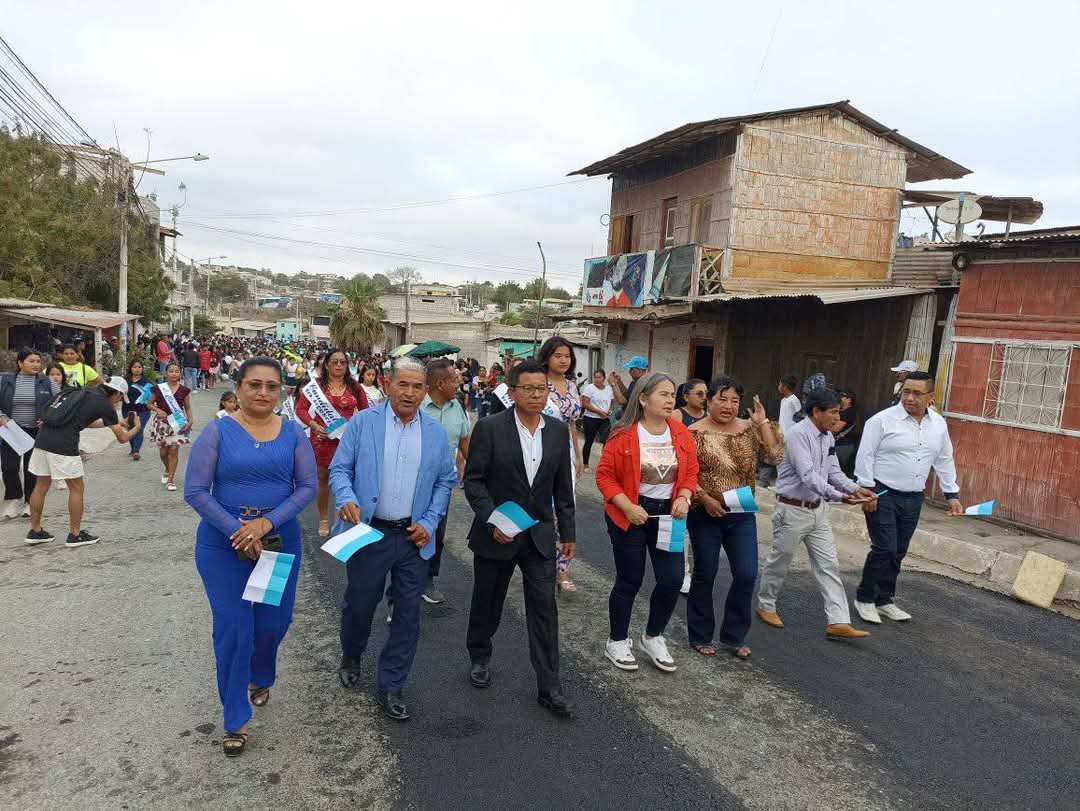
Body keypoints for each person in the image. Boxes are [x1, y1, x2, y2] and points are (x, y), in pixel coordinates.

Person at [184, 356, 317, 757]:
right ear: (238, 387)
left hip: (276, 543)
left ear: (282, 391)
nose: (263, 392)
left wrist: (266, 524)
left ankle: (260, 675)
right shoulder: (218, 432)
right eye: (254, 384)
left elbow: (307, 486)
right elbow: (196, 491)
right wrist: (238, 530)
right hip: (222, 546)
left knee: (272, 624)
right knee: (233, 627)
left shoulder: (293, 433)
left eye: (272, 386)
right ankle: (235, 718)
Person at [330, 357, 457, 722]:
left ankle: (392, 685)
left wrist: (430, 521)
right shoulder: (363, 423)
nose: (409, 393)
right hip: (369, 531)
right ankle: (352, 654)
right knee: (360, 603)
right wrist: (346, 497)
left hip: (414, 538)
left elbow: (445, 481)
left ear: (425, 390)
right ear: (388, 384)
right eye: (403, 384)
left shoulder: (434, 433)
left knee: (407, 613)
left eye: (417, 387)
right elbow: (340, 468)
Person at [463, 360, 577, 717]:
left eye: (541, 389)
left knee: (544, 608)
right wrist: (493, 521)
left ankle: (550, 685)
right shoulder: (489, 428)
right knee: (488, 601)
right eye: (527, 388)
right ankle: (479, 654)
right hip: (497, 534)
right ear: (512, 392)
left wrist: (568, 532)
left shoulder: (557, 431)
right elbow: (474, 481)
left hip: (539, 535)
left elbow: (563, 488)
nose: (536, 395)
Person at [755, 388, 879, 640]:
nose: (837, 417)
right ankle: (765, 605)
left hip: (818, 510)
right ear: (816, 411)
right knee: (780, 562)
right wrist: (840, 497)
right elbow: (808, 476)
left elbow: (834, 472)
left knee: (829, 565)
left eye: (838, 412)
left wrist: (856, 489)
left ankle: (838, 621)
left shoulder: (827, 437)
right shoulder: (797, 435)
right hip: (792, 510)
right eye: (833, 412)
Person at [596, 372, 698, 673]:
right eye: (663, 394)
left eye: (672, 395)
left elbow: (691, 471)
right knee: (630, 579)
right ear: (643, 398)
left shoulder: (680, 432)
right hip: (631, 515)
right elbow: (605, 476)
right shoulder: (623, 433)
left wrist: (684, 496)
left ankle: (653, 636)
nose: (670, 400)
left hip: (669, 516)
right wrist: (627, 506)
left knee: (672, 579)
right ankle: (617, 640)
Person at [854, 371, 964, 624]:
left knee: (898, 551)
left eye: (917, 393)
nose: (910, 398)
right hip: (882, 492)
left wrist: (952, 494)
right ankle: (865, 598)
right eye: (906, 392)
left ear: (930, 396)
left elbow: (944, 459)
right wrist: (866, 490)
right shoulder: (882, 420)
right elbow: (865, 455)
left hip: (913, 497)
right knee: (884, 548)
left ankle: (884, 600)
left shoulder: (938, 424)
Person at [687, 376, 783, 659]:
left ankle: (733, 635)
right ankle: (700, 635)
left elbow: (775, 457)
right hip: (705, 512)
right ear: (709, 401)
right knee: (705, 573)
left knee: (747, 573)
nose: (728, 406)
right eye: (722, 399)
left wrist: (763, 423)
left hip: (741, 511)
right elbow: (686, 474)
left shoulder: (748, 429)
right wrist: (705, 499)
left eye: (734, 401)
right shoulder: (693, 433)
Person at [24, 377, 142, 547]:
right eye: (120, 398)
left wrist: (113, 423)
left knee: (41, 486)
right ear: (116, 393)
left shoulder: (83, 392)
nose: (118, 401)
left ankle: (35, 531)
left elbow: (83, 421)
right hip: (64, 445)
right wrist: (137, 428)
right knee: (76, 488)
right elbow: (123, 438)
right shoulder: (105, 404)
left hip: (42, 440)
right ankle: (75, 535)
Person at [296, 348, 368, 537]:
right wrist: (314, 425)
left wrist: (355, 427)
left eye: (343, 362)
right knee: (323, 478)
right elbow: (300, 409)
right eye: (334, 362)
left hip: (347, 440)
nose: (339, 365)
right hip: (322, 440)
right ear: (326, 365)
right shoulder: (315, 387)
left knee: (345, 478)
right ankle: (323, 518)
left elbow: (366, 412)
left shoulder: (355, 387)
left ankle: (339, 518)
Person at [419, 359, 470, 605]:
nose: (458, 384)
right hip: (413, 483)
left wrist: (482, 472)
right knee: (407, 531)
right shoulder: (416, 405)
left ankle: (427, 578)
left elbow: (465, 443)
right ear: (440, 384)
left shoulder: (456, 406)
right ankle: (403, 583)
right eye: (454, 380)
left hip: (442, 486)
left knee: (436, 533)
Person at [538, 337, 584, 593]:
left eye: (567, 356)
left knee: (565, 508)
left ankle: (563, 567)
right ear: (547, 357)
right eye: (558, 355)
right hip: (540, 448)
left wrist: (578, 456)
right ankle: (539, 559)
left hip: (565, 451)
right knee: (541, 506)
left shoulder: (572, 385)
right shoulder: (538, 383)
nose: (564, 360)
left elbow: (572, 424)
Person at [0, 349, 57, 519]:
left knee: (31, 468)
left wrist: (48, 418)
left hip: (37, 431)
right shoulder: (4, 380)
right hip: (11, 430)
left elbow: (59, 402)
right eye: (31, 361)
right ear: (20, 363)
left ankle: (30, 502)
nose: (36, 364)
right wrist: (1, 416)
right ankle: (14, 498)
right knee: (9, 467)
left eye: (38, 361)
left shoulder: (47, 382)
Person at [146, 361, 194, 492]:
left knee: (173, 450)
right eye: (171, 371)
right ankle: (167, 469)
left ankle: (170, 480)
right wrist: (158, 410)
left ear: (180, 373)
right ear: (165, 374)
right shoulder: (159, 388)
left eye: (177, 371)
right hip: (162, 423)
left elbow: (187, 408)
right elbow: (149, 404)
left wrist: (190, 421)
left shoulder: (184, 390)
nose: (174, 374)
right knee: (163, 453)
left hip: (177, 424)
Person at [760, 375, 800, 488]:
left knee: (786, 461)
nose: (778, 386)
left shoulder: (794, 400)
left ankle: (786, 484)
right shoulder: (783, 400)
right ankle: (779, 483)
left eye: (779, 384)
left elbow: (799, 417)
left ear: (785, 387)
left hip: (790, 437)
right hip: (781, 435)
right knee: (779, 459)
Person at [580, 368, 614, 469]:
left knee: (607, 441)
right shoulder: (589, 388)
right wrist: (599, 412)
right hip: (591, 418)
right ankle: (586, 464)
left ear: (604, 378)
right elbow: (585, 403)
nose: (597, 379)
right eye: (595, 377)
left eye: (599, 377)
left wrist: (610, 411)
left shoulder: (609, 389)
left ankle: (604, 463)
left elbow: (612, 402)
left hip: (605, 419)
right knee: (589, 441)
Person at [122, 359, 152, 461]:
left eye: (139, 367)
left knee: (139, 429)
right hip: (127, 410)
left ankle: (136, 451)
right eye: (134, 367)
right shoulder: (125, 381)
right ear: (130, 368)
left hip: (143, 410)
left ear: (142, 369)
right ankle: (133, 449)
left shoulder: (147, 382)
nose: (137, 369)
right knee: (130, 429)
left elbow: (152, 396)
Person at [834, 389, 860, 477]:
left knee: (839, 472)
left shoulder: (849, 412)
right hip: (840, 444)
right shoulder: (841, 411)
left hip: (844, 446)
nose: (840, 397)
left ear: (849, 400)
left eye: (842, 396)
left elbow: (836, 429)